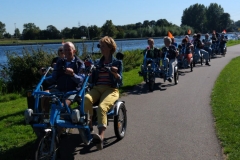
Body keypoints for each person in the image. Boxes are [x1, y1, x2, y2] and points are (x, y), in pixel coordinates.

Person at [84, 36, 123, 150]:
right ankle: (90, 126)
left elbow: (120, 81)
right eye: (100, 46)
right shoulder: (97, 62)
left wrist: (115, 74)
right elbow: (91, 78)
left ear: (110, 48)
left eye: (103, 46)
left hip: (111, 89)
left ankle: (100, 137)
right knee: (86, 98)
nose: (101, 48)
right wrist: (87, 70)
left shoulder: (117, 62)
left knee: (102, 107)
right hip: (97, 88)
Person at [41, 42, 85, 115]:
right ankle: (45, 119)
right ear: (63, 52)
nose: (67, 52)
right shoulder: (59, 62)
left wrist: (72, 74)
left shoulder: (80, 63)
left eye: (69, 50)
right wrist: (44, 75)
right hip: (60, 89)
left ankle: (61, 121)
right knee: (44, 95)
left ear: (74, 51)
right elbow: (54, 77)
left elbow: (81, 80)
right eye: (65, 50)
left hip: (73, 91)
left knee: (61, 106)